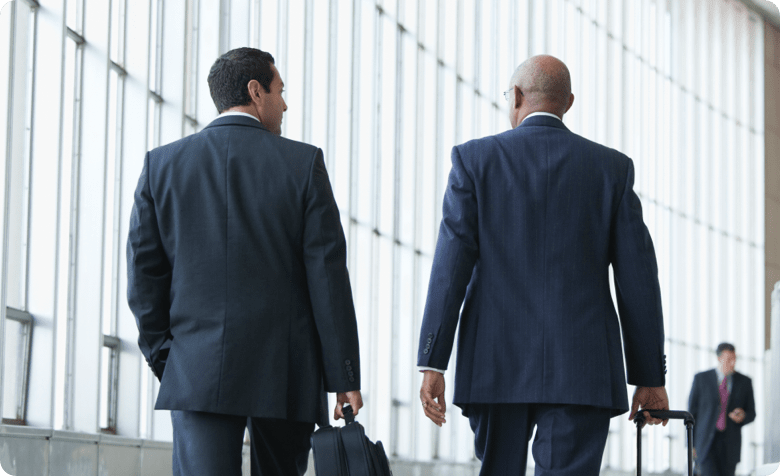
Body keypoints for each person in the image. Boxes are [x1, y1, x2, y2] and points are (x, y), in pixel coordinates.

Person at [416, 54, 669, 475]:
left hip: (496, 364)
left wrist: (433, 361)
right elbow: (638, 279)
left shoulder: (474, 161)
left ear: (516, 96)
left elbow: (450, 267)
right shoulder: (611, 169)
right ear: (568, 102)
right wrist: (649, 376)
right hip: (583, 368)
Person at [126, 47, 362, 476]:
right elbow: (327, 278)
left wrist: (169, 357)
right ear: (256, 92)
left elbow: (144, 276)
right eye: (280, 91)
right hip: (285, 372)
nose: (285, 103)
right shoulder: (302, 163)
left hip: (196, 369)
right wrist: (342, 375)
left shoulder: (162, 166)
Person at [688, 343, 756, 476]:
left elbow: (751, 413)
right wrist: (691, 444)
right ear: (719, 358)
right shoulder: (701, 379)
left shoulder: (745, 382)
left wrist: (742, 416)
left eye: (734, 359)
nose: (733, 363)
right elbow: (691, 414)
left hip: (730, 446)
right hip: (706, 444)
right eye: (728, 359)